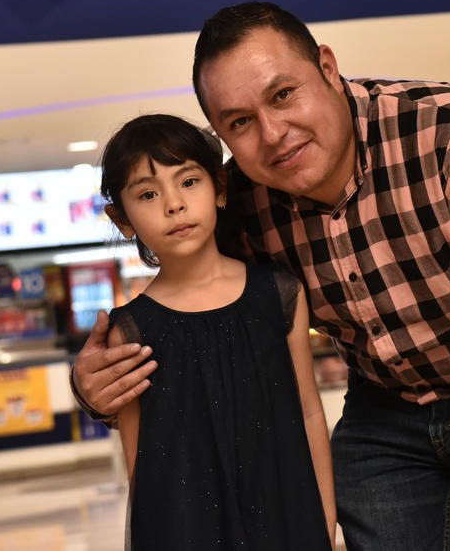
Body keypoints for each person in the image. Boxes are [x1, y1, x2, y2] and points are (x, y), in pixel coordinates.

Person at [72, 2, 450, 551]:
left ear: (327, 67)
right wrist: (97, 391)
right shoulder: (237, 201)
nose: (273, 134)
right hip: (388, 397)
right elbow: (197, 335)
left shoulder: (445, 130)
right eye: (240, 122)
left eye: (283, 95)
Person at [95, 113, 335, 549]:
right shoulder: (131, 331)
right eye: (148, 194)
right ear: (122, 218)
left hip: (287, 517)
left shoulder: (279, 293)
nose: (174, 204)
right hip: (187, 533)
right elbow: (140, 463)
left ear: (220, 188)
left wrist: (326, 522)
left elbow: (309, 413)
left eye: (189, 182)